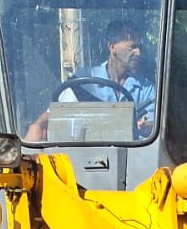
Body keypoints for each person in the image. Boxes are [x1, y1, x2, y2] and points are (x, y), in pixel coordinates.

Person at [24, 20, 155, 142]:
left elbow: (153, 124)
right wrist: (38, 125)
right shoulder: (83, 81)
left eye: (139, 47)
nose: (138, 52)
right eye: (132, 46)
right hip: (85, 150)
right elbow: (59, 112)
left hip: (131, 153)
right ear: (112, 47)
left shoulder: (146, 89)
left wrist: (145, 126)